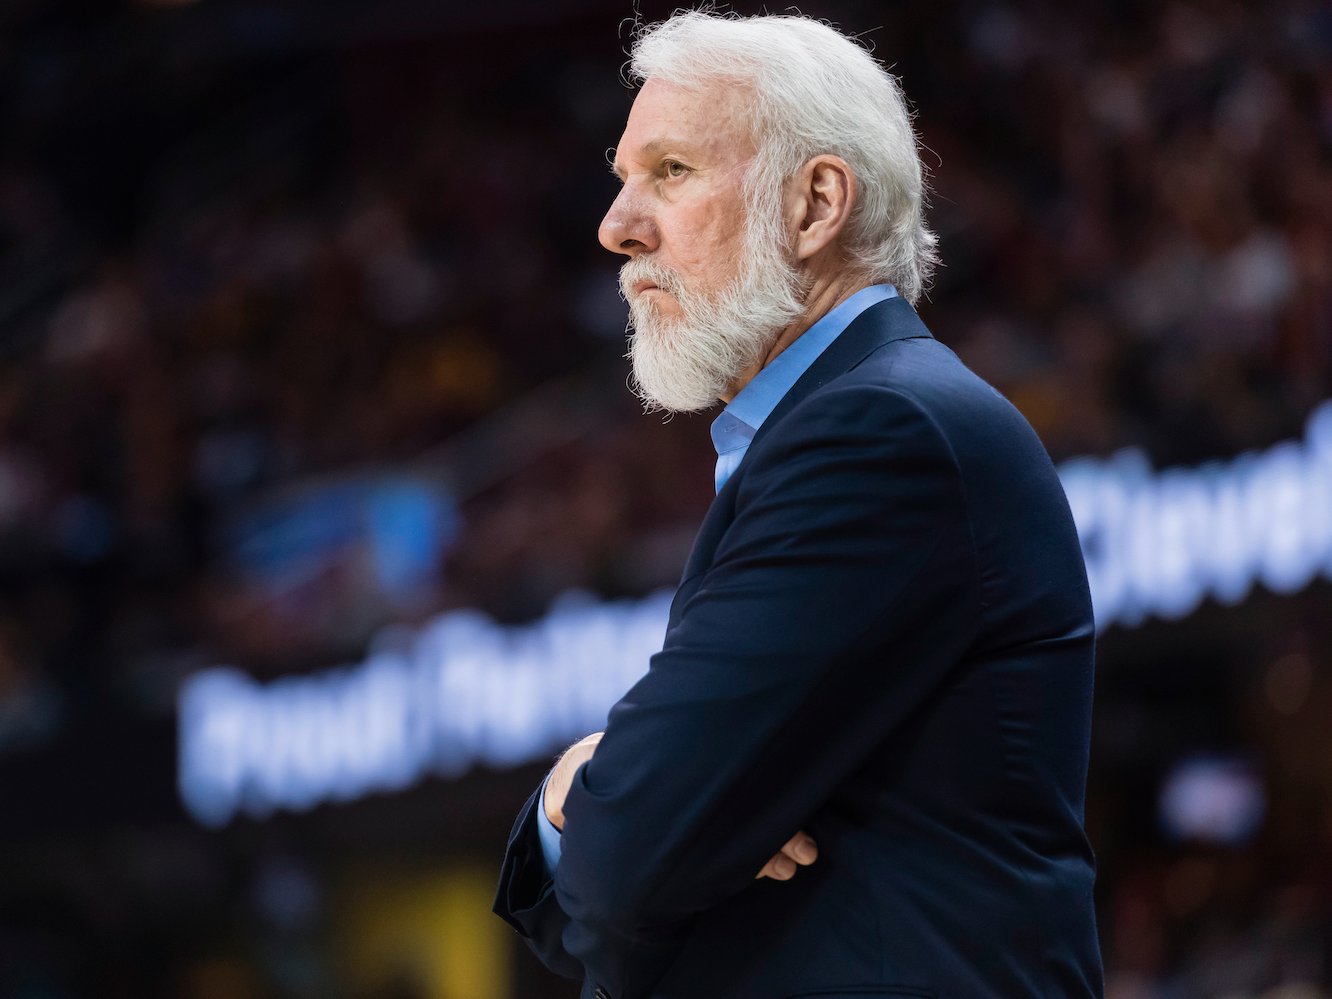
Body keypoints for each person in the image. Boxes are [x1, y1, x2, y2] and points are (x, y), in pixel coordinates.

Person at [493, 11, 1103, 998]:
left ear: (815, 203)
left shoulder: (880, 435)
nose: (617, 226)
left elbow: (619, 872)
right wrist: (601, 795)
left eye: (672, 172)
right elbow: (615, 884)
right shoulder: (842, 430)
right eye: (622, 176)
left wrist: (590, 797)